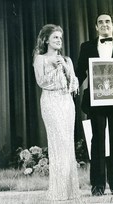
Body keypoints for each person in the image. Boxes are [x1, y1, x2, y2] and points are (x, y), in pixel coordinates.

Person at [76, 13, 113, 195]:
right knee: (97, 142)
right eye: (100, 22)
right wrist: (71, 86)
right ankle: (97, 186)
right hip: (95, 101)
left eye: (107, 22)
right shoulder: (86, 47)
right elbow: (80, 71)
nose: (104, 25)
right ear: (96, 27)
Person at [32, 24, 80, 201]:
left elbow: (74, 85)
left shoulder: (66, 59)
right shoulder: (40, 59)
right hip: (51, 101)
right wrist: (56, 69)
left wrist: (66, 68)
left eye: (60, 37)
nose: (59, 40)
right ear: (46, 40)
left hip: (66, 102)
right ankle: (58, 191)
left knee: (67, 144)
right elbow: (42, 82)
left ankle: (70, 190)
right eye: (55, 38)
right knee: (57, 143)